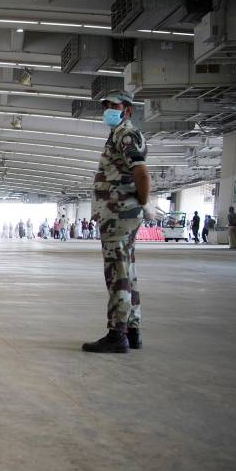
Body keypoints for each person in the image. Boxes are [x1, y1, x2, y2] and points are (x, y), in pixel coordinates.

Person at [83, 90, 150, 354]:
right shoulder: (119, 134)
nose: (108, 110)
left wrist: (139, 202)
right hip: (120, 213)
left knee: (117, 273)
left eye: (115, 106)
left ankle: (117, 333)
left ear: (127, 110)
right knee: (128, 272)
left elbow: (141, 173)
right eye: (106, 106)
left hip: (118, 215)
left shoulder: (126, 134)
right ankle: (132, 331)